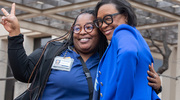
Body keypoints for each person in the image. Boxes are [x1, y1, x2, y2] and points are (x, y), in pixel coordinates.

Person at [1, 3, 161, 100]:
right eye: (77, 28)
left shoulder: (108, 58)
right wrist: (15, 34)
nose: (82, 32)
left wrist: (156, 86)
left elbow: (131, 81)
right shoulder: (54, 50)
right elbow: (22, 72)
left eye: (90, 27)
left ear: (99, 31)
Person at [93, 0, 161, 99]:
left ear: (125, 16)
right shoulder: (135, 37)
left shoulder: (123, 31)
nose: (103, 25)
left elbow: (128, 53)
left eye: (108, 18)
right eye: (99, 22)